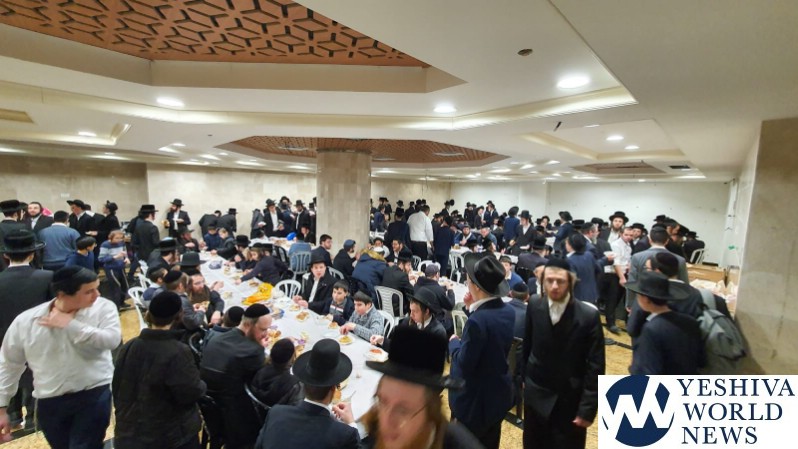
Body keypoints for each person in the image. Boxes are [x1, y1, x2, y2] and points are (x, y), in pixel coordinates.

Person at [0, 266, 121, 447]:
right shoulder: (27, 321)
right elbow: (9, 364)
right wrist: (2, 406)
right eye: (89, 291)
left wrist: (71, 325)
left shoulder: (103, 308)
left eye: (96, 288)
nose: (97, 295)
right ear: (62, 295)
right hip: (50, 400)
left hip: (93, 392)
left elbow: (111, 340)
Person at [522, 258, 605, 449]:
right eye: (549, 280)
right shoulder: (534, 304)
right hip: (536, 394)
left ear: (571, 282)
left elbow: (596, 366)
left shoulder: (588, 316)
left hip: (568, 400)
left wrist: (587, 409)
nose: (554, 286)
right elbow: (528, 344)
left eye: (560, 281)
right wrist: (524, 378)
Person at [113, 291, 206, 449]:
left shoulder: (129, 345)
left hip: (129, 433)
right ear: (179, 316)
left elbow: (117, 388)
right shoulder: (178, 351)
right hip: (169, 437)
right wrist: (202, 383)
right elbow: (190, 392)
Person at [363, 326, 482, 449]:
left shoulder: (460, 445)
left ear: (431, 414)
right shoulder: (376, 427)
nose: (385, 422)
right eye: (383, 401)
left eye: (403, 411)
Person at [448, 252, 515, 449]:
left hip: (475, 403)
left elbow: (465, 363)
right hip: (498, 395)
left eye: (468, 280)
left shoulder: (477, 321)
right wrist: (471, 308)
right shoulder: (508, 311)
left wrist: (454, 344)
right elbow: (488, 337)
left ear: (476, 286)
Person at [254, 339, 359, 449]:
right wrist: (351, 423)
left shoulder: (275, 413)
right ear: (333, 389)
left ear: (303, 383)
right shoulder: (344, 435)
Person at [0, 229, 52, 431]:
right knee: (34, 375)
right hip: (39, 338)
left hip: (4, 337)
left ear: (6, 255)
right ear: (32, 254)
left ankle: (13, 414)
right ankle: (32, 416)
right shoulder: (47, 277)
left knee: (7, 371)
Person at [201, 304, 272, 449]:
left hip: (206, 404)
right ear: (248, 325)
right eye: (263, 329)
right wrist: (260, 348)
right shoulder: (253, 351)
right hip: (231, 417)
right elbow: (261, 381)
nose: (266, 334)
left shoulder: (218, 337)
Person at [625, 271, 703, 375]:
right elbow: (701, 360)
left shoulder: (652, 329)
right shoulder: (691, 322)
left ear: (645, 299)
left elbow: (646, 370)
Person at [625, 224, 689, 311]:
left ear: (650, 240)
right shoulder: (680, 260)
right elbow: (684, 284)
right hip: (668, 302)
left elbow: (632, 281)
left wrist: (630, 303)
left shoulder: (637, 257)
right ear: (667, 241)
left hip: (642, 301)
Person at [371, 288, 447, 351]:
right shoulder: (408, 321)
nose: (411, 315)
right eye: (411, 310)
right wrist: (382, 340)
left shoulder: (438, 332)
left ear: (426, 312)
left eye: (415, 311)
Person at [250, 338, 303, 407]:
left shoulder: (259, 368)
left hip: (253, 406)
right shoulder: (295, 385)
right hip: (275, 412)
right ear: (290, 361)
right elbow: (294, 409)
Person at [413, 263, 455, 334]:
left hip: (418, 318)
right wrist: (450, 290)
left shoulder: (416, 285)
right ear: (437, 275)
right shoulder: (437, 289)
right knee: (451, 320)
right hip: (434, 322)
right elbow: (450, 305)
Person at [98, 229, 130, 310]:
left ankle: (122, 302)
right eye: (117, 238)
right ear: (111, 237)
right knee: (116, 287)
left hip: (121, 267)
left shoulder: (122, 243)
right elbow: (101, 259)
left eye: (121, 238)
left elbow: (125, 252)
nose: (119, 240)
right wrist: (115, 257)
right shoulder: (105, 245)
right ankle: (116, 307)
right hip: (111, 268)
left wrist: (126, 258)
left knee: (125, 286)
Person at [565, 233, 601, 304]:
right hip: (592, 294)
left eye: (566, 243)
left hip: (578, 297)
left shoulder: (569, 260)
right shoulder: (589, 255)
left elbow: (572, 281)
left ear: (570, 245)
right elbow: (598, 269)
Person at [379, 249, 414, 316]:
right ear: (401, 264)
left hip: (383, 305)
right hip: (397, 309)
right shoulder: (403, 276)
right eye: (408, 265)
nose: (410, 268)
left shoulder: (387, 270)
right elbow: (411, 291)